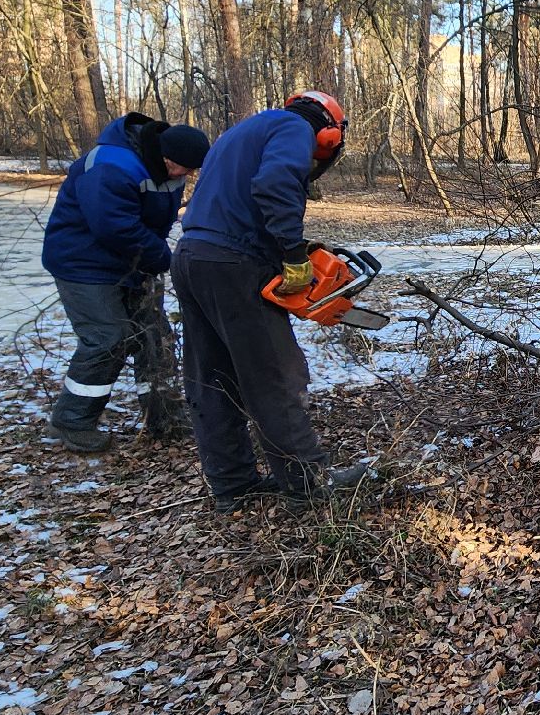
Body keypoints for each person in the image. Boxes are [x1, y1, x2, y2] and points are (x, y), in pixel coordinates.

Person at [172, 90, 369, 510]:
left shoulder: (242, 131)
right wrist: (293, 252)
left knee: (213, 378)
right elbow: (275, 183)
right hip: (233, 264)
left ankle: (232, 484)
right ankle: (307, 486)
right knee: (275, 376)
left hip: (192, 257)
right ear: (329, 132)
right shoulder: (294, 127)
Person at [42, 111, 210, 452]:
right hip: (84, 263)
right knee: (108, 338)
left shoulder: (169, 169)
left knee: (155, 337)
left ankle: (163, 416)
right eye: (184, 169)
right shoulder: (110, 166)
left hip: (134, 263)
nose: (187, 177)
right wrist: (166, 259)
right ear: (165, 158)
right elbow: (116, 228)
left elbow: (154, 221)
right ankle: (71, 421)